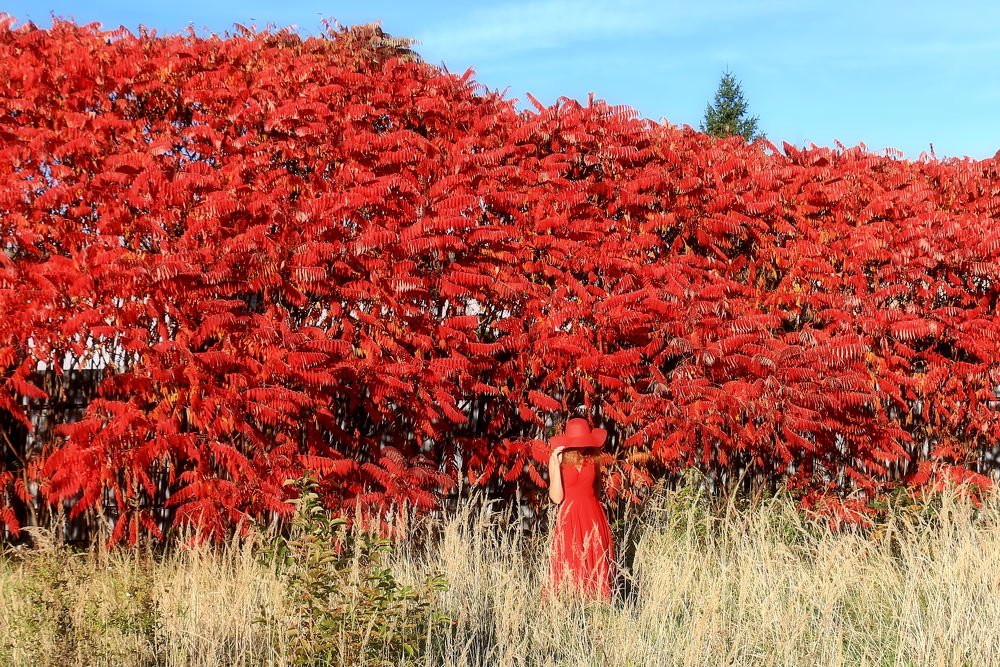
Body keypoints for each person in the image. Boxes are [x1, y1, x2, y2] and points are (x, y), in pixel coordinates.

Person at [546, 417, 615, 600]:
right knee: (570, 561)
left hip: (592, 515)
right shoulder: (558, 459)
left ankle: (596, 607)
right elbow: (556, 498)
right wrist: (555, 464)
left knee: (595, 561)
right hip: (569, 516)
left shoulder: (593, 457)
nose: (583, 446)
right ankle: (569, 604)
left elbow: (597, 489)